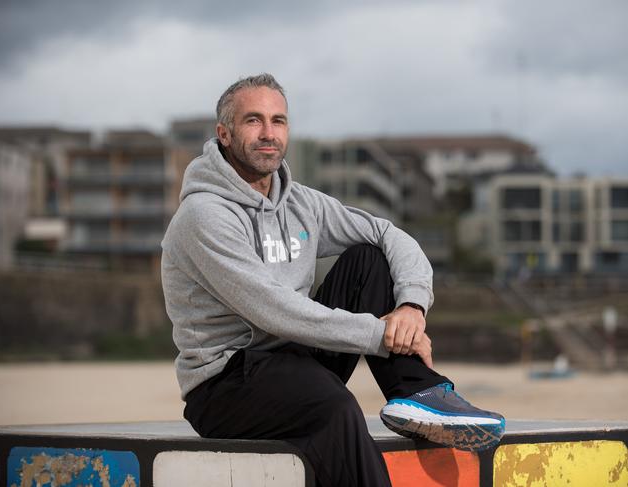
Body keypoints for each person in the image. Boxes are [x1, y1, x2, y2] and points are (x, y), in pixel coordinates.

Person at [161, 73, 504, 487]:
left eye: (279, 121)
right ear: (225, 134)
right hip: (226, 383)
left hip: (292, 360)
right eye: (254, 121)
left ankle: (418, 394)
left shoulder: (301, 202)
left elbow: (389, 234)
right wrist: (385, 335)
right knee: (336, 407)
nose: (269, 133)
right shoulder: (205, 215)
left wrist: (412, 308)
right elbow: (273, 309)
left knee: (369, 259)